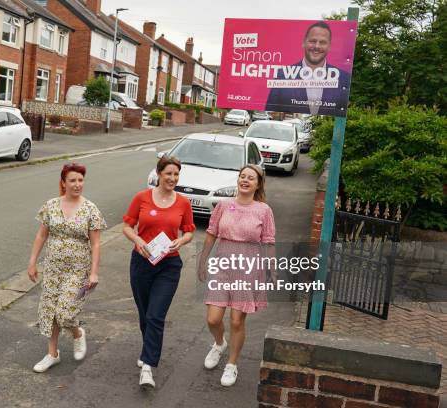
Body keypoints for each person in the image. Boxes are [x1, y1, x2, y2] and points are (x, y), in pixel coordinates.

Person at [197, 164, 275, 387]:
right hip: (223, 264)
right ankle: (219, 343)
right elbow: (211, 232)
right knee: (213, 318)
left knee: (236, 320)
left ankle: (232, 364)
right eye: (242, 176)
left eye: (251, 178)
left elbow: (269, 241)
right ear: (238, 180)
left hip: (248, 268)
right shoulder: (223, 205)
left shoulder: (263, 210)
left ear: (257, 184)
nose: (245, 180)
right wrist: (203, 260)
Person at [122, 156, 196, 388]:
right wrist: (138, 240)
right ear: (159, 173)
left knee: (156, 315)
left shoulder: (183, 202)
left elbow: (189, 231)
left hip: (169, 265)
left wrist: (181, 242)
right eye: (168, 174)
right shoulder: (141, 198)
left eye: (176, 175)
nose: (172, 179)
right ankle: (148, 350)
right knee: (145, 315)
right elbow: (127, 226)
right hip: (142, 262)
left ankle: (147, 366)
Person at [27, 162, 107, 373]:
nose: (77, 184)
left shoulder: (90, 209)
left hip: (78, 270)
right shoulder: (51, 205)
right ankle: (52, 354)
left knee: (65, 313)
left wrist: (94, 272)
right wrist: (32, 261)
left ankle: (77, 333)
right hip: (53, 267)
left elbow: (96, 243)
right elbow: (41, 235)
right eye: (72, 180)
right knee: (51, 311)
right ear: (64, 182)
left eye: (80, 180)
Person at [265, 21, 351, 116]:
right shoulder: (282, 75)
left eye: (322, 42)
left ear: (329, 46)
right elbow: (270, 111)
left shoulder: (343, 78)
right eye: (313, 41)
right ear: (304, 43)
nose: (317, 46)